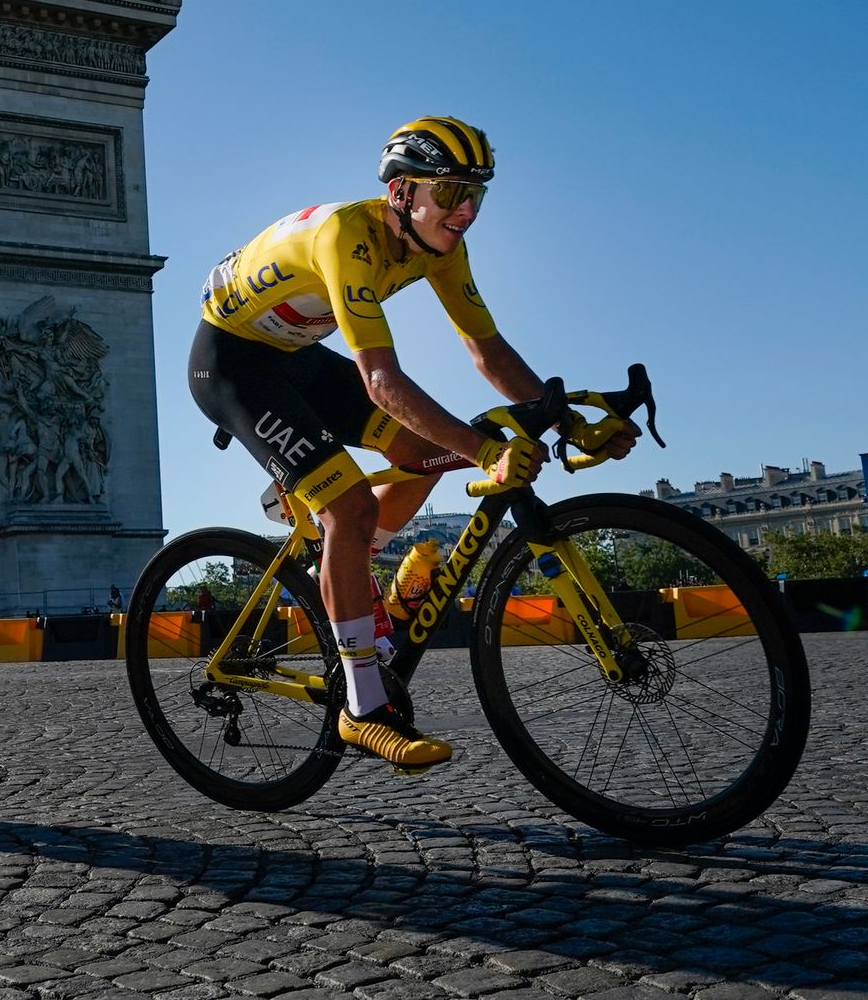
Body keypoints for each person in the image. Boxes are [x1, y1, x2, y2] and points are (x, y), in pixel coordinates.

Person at [187, 118, 636, 770]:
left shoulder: (443, 246)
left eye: (476, 196)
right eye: (451, 192)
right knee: (354, 503)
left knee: (434, 451)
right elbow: (381, 380)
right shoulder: (349, 237)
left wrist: (563, 418)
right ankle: (362, 705)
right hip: (232, 366)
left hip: (298, 358)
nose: (466, 212)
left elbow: (488, 351)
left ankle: (348, 564)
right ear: (401, 192)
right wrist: (488, 451)